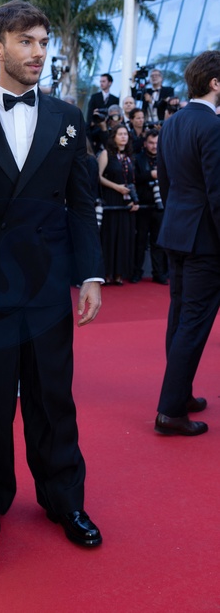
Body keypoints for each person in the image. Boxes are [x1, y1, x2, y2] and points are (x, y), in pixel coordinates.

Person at [0, 0, 104, 547]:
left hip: (46, 283)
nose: (39, 52)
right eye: (27, 42)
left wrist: (91, 275)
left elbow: (81, 202)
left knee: (52, 396)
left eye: (43, 42)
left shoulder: (68, 118)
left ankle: (65, 500)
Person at [154, 50, 220, 436]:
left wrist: (178, 221)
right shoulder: (213, 127)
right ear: (215, 83)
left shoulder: (172, 123)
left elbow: (166, 183)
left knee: (180, 318)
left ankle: (181, 393)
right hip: (205, 241)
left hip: (176, 232)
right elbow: (217, 193)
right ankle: (170, 411)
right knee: (193, 323)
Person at [98, 124, 139, 284]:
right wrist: (116, 187)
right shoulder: (106, 154)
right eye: (120, 134)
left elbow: (132, 181)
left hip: (126, 201)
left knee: (123, 236)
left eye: (125, 134)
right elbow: (98, 177)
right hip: (111, 200)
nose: (123, 137)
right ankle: (107, 273)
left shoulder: (129, 156)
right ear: (113, 137)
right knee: (110, 236)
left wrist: (135, 200)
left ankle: (119, 273)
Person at [130, 128, 168, 284]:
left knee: (158, 242)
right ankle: (136, 272)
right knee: (139, 241)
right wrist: (150, 175)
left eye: (157, 143)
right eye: (151, 143)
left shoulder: (165, 158)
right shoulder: (137, 158)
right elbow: (133, 179)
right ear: (145, 143)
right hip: (142, 206)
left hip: (160, 207)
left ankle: (159, 274)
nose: (154, 146)